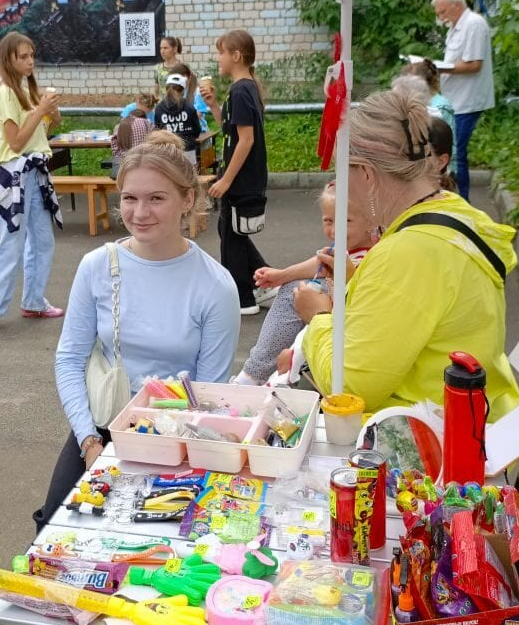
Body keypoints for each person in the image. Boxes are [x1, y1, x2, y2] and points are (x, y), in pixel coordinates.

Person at [35, 130, 240, 625]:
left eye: (157, 198)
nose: (140, 212)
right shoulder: (98, 266)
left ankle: (149, 605)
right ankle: (76, 603)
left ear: (188, 200)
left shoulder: (214, 285)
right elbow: (69, 359)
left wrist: (164, 455)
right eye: (130, 197)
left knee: (158, 542)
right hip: (101, 428)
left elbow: (208, 391)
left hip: (175, 442)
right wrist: (88, 440)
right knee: (60, 524)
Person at [291, 87, 519, 419]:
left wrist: (319, 318)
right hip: (473, 420)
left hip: (426, 443)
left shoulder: (407, 253)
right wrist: (361, 283)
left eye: (344, 175)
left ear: (367, 174)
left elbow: (351, 387)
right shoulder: (458, 213)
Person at [233, 183, 373, 385]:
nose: (334, 231)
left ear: (370, 220)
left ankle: (256, 374)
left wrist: (294, 354)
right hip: (329, 325)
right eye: (328, 221)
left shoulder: (372, 257)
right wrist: (282, 275)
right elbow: (321, 260)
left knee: (294, 293)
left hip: (343, 332)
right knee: (292, 287)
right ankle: (257, 373)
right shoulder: (348, 249)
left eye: (346, 221)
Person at [0, 32, 64, 335]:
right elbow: (15, 143)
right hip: (15, 173)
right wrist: (40, 111)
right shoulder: (5, 93)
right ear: (8, 60)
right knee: (11, 242)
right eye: (23, 57)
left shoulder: (26, 89)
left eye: (32, 55)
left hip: (36, 170)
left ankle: (34, 301)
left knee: (42, 240)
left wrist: (51, 113)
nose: (30, 61)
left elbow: (43, 132)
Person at [208, 30, 270, 317]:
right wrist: (212, 106)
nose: (218, 58)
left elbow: (246, 140)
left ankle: (243, 298)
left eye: (221, 52)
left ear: (236, 56)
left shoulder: (241, 90)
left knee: (231, 237)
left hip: (241, 179)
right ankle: (264, 279)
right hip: (245, 177)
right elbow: (230, 131)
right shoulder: (244, 89)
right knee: (231, 230)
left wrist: (226, 180)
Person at [432, 0, 494, 201]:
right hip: (455, 98)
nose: (441, 18)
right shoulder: (456, 26)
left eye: (442, 12)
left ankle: (461, 201)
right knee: (455, 150)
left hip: (468, 100)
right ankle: (457, 199)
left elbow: (474, 65)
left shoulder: (474, 25)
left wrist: (440, 68)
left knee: (456, 153)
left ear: (456, 5)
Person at [154, 73, 202, 165]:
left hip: (168, 150)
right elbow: (197, 130)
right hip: (188, 148)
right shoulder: (189, 106)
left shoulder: (159, 108)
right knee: (189, 176)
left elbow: (158, 130)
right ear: (183, 91)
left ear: (166, 89)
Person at [111, 103, 155, 178]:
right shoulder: (147, 123)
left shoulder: (119, 126)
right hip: (143, 164)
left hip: (123, 167)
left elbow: (114, 148)